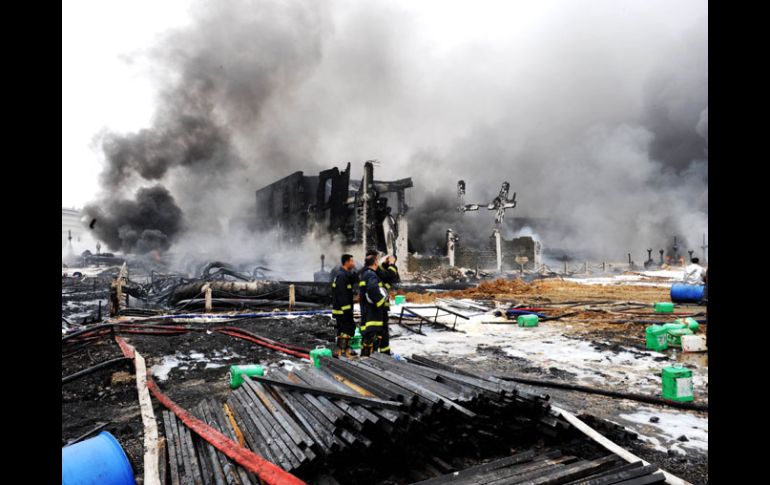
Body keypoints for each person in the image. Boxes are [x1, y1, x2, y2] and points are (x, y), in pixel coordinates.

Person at [359, 252, 388, 357]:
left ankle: (365, 358)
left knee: (368, 338)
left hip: (367, 311)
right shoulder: (371, 274)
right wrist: (381, 302)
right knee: (371, 337)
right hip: (373, 314)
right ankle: (369, 360)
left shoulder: (365, 274)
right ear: (375, 262)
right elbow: (372, 289)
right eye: (377, 260)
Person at [331, 254, 358, 356]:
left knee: (346, 330)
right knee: (345, 330)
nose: (353, 263)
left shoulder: (343, 275)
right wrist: (347, 311)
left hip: (342, 310)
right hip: (343, 311)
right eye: (352, 261)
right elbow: (342, 295)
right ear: (346, 262)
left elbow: (351, 279)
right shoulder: (341, 277)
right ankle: (343, 351)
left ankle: (344, 349)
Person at [376, 255, 400, 355]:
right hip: (377, 305)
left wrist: (391, 264)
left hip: (382, 304)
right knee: (378, 330)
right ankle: (374, 353)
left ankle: (385, 352)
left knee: (384, 330)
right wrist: (390, 263)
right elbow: (388, 275)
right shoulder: (378, 269)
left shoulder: (385, 270)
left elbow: (394, 277)